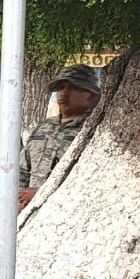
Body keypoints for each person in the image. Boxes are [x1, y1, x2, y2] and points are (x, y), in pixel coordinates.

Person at [19, 64, 101, 207]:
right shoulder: (44, 126)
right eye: (61, 87)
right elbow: (22, 170)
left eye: (74, 87)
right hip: (29, 215)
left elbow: (91, 182)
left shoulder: (94, 130)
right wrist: (18, 201)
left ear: (90, 95)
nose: (64, 93)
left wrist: (42, 194)